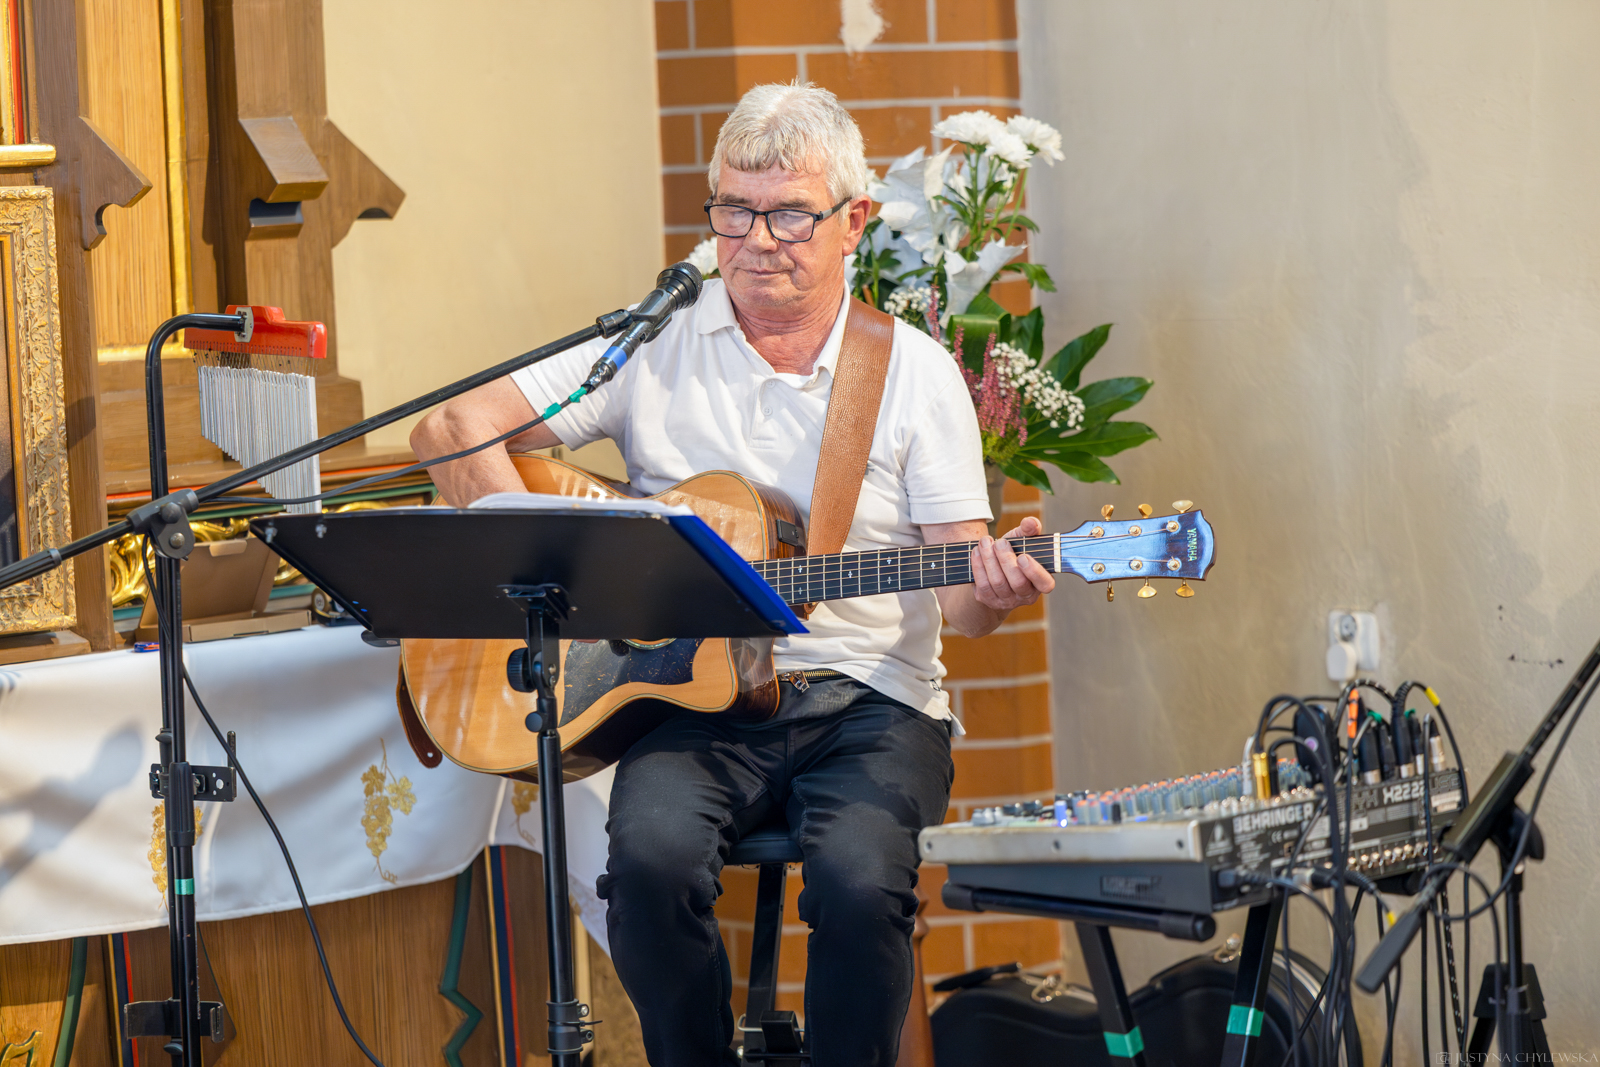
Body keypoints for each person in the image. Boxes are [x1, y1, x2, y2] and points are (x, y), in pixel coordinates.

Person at [411, 81, 1055, 1067]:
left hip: (871, 701)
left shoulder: (914, 372)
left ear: (853, 222)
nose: (756, 240)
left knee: (858, 884)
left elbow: (964, 606)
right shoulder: (654, 341)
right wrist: (567, 588)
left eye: (790, 214)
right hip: (690, 699)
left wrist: (999, 588)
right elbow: (454, 428)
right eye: (733, 211)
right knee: (648, 871)